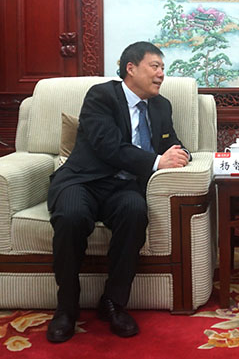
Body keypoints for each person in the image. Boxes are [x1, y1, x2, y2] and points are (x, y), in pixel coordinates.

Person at [46, 41, 191, 343]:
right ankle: (66, 308)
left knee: (135, 212)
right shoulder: (101, 96)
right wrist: (156, 162)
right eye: (155, 66)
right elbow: (108, 146)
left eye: (163, 68)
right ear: (131, 68)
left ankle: (113, 302)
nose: (161, 74)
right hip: (83, 180)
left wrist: (182, 155)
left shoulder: (161, 106)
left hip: (123, 186)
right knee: (71, 216)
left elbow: (170, 142)